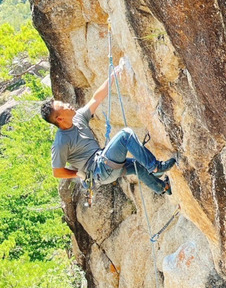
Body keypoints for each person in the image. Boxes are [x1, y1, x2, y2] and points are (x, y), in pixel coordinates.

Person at [40, 69, 176, 195]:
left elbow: (96, 98)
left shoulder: (78, 118)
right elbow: (57, 172)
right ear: (59, 118)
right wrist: (78, 174)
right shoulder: (61, 142)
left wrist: (112, 76)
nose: (67, 104)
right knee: (125, 135)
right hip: (99, 170)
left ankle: (163, 187)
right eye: (63, 106)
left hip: (104, 164)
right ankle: (155, 167)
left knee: (138, 165)